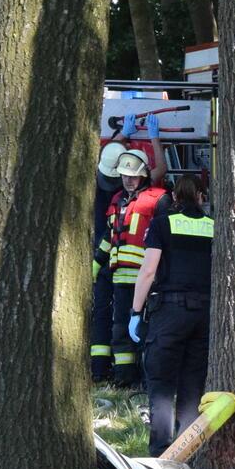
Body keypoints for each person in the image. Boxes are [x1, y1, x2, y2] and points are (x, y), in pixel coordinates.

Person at [130, 173, 213, 455]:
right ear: (202, 196)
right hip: (204, 313)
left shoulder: (162, 224)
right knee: (193, 383)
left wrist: (134, 311)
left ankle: (160, 452)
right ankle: (186, 452)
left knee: (162, 382)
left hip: (170, 311)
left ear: (174, 197)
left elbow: (149, 270)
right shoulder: (214, 227)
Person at [98, 150, 167, 386]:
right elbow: (110, 236)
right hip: (120, 278)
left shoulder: (159, 199)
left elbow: (164, 240)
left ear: (144, 175)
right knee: (120, 329)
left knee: (147, 329)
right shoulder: (117, 200)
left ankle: (149, 380)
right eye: (125, 176)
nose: (128, 180)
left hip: (147, 278)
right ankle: (124, 379)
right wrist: (96, 263)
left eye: (133, 176)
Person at [90, 139, 129, 381]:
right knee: (120, 316)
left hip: (100, 259)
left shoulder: (92, 184)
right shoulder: (124, 197)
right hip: (117, 261)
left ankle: (99, 370)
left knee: (101, 315)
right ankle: (122, 372)